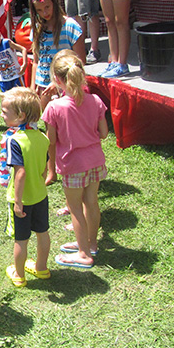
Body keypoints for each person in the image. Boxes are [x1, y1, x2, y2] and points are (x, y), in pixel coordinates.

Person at [42, 50, 108, 269]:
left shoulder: (54, 107)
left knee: (76, 208)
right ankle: (91, 243)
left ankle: (83, 254)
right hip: (95, 161)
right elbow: (104, 133)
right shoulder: (96, 100)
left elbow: (51, 139)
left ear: (57, 80)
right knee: (91, 202)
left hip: (72, 165)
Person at [28, 0, 85, 184]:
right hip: (44, 85)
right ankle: (51, 169)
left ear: (55, 2)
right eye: (39, 10)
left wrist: (60, 84)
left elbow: (79, 62)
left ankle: (73, 168)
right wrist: (34, 83)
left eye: (47, 8)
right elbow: (36, 59)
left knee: (69, 130)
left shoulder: (70, 26)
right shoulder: (37, 28)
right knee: (49, 131)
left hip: (68, 87)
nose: (44, 13)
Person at [0, 87, 51, 287]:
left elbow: (20, 173)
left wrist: (18, 202)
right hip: (40, 195)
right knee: (42, 232)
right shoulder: (42, 137)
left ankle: (19, 274)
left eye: (5, 112)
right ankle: (41, 268)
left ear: (20, 116)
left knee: (21, 239)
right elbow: (44, 169)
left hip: (22, 199)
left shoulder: (15, 141)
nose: (1, 115)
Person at [0, 24, 28, 92]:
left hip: (16, 75)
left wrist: (24, 64)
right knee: (6, 99)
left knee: (21, 97)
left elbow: (23, 49)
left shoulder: (7, 43)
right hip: (4, 79)